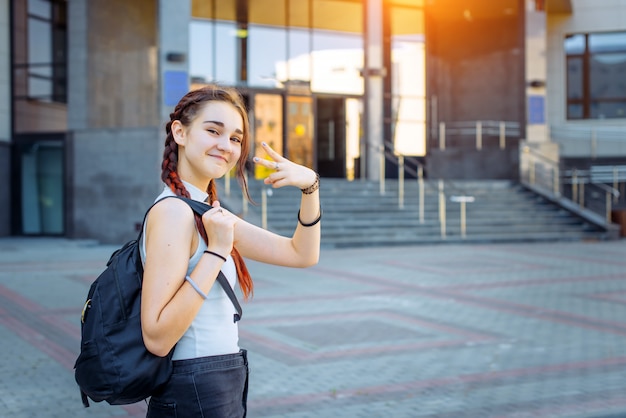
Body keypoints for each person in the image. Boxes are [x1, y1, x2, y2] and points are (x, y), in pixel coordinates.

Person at [139, 84, 321, 417]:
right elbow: (157, 337)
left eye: (236, 138)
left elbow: (301, 255)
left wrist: (310, 187)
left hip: (220, 378)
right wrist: (217, 252)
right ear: (180, 132)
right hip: (194, 386)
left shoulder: (205, 212)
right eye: (213, 131)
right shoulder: (173, 212)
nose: (226, 146)